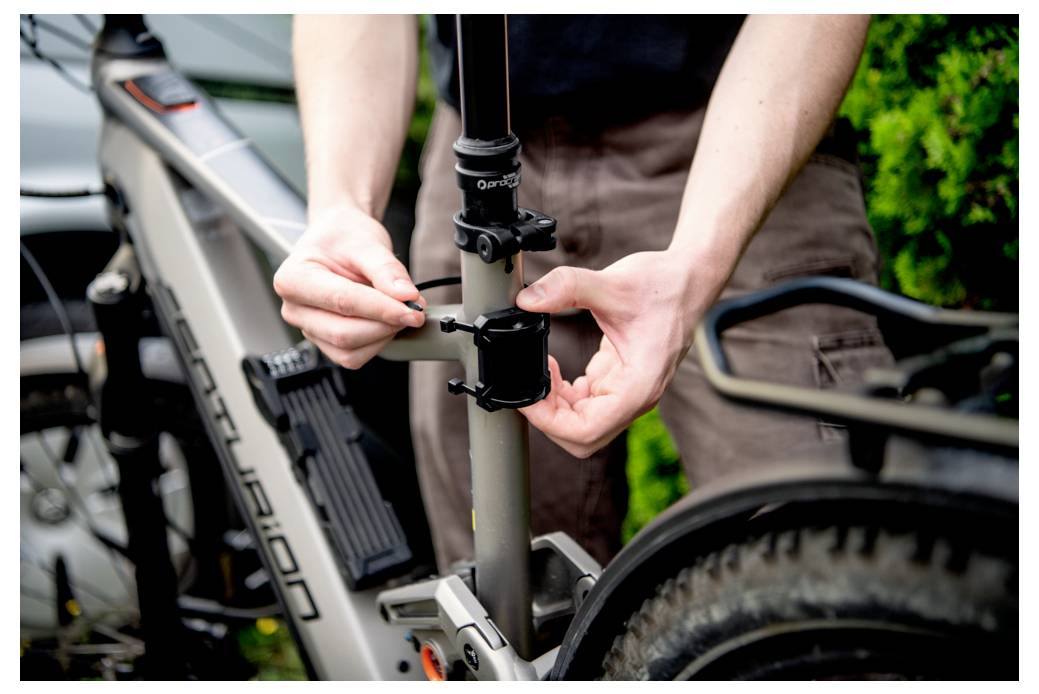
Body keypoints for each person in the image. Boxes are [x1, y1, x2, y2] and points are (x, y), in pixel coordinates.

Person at [275, 15, 891, 570]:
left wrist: (697, 261)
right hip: (479, 153)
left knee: (830, 566)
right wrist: (341, 205)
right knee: (499, 599)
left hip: (738, 130)